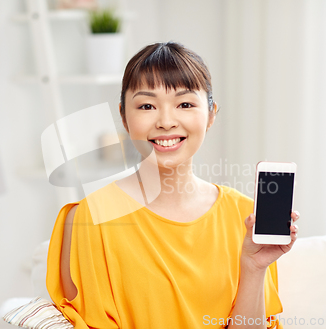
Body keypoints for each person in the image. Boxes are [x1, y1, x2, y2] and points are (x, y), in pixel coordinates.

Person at [46, 41, 299, 329]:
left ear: (211, 114)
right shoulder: (89, 218)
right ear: (124, 117)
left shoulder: (246, 218)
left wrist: (254, 268)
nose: (166, 121)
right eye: (147, 105)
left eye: (185, 104)